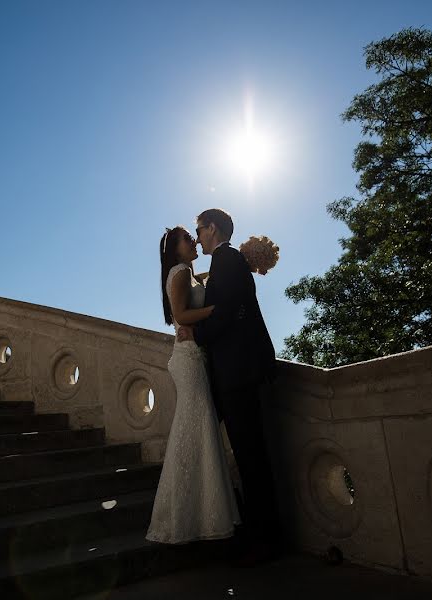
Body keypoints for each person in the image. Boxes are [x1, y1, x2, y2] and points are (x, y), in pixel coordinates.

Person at [178, 208, 280, 566]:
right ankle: (249, 530)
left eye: (199, 230)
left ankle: (266, 539)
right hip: (233, 370)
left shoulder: (228, 258)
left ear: (213, 228)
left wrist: (196, 335)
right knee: (242, 454)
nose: (197, 236)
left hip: (240, 371)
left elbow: (226, 311)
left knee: (251, 456)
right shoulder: (224, 262)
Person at [145, 226, 241, 545]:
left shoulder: (188, 272)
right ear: (176, 249)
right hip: (189, 359)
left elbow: (210, 283)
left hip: (197, 356)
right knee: (194, 428)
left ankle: (200, 512)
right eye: (188, 239)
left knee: (199, 430)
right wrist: (218, 310)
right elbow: (181, 314)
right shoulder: (179, 272)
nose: (194, 241)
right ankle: (185, 517)